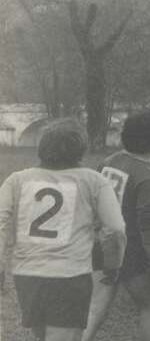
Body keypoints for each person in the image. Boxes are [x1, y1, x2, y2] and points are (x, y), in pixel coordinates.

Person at [0, 118, 126, 341]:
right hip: (69, 275)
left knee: (44, 336)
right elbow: (115, 228)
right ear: (81, 149)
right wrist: (113, 262)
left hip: (27, 275)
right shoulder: (94, 181)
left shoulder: (16, 180)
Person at [83, 112, 150, 341]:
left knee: (96, 306)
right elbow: (147, 227)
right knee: (149, 307)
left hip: (103, 242)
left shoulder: (110, 161)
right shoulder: (147, 175)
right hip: (131, 249)